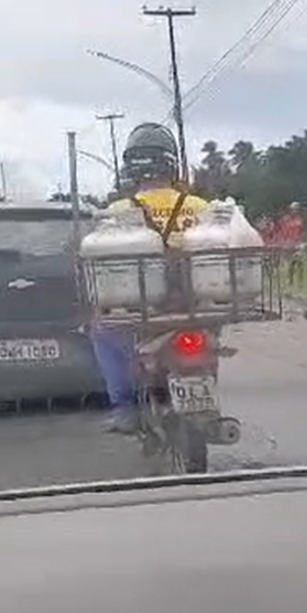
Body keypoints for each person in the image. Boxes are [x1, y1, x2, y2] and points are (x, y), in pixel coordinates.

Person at [89, 122, 209, 431]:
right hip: (199, 302)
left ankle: (125, 408)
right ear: (171, 164)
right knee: (208, 340)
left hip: (144, 306)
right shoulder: (200, 206)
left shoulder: (118, 210)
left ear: (132, 168)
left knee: (101, 330)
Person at [276, 202, 307, 287]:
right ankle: (290, 281)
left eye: (296, 209)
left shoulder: (300, 220)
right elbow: (282, 231)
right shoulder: (286, 219)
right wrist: (282, 241)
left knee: (300, 263)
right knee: (290, 263)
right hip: (289, 243)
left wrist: (303, 242)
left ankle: (300, 282)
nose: (294, 211)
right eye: (293, 209)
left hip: (298, 243)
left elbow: (302, 232)